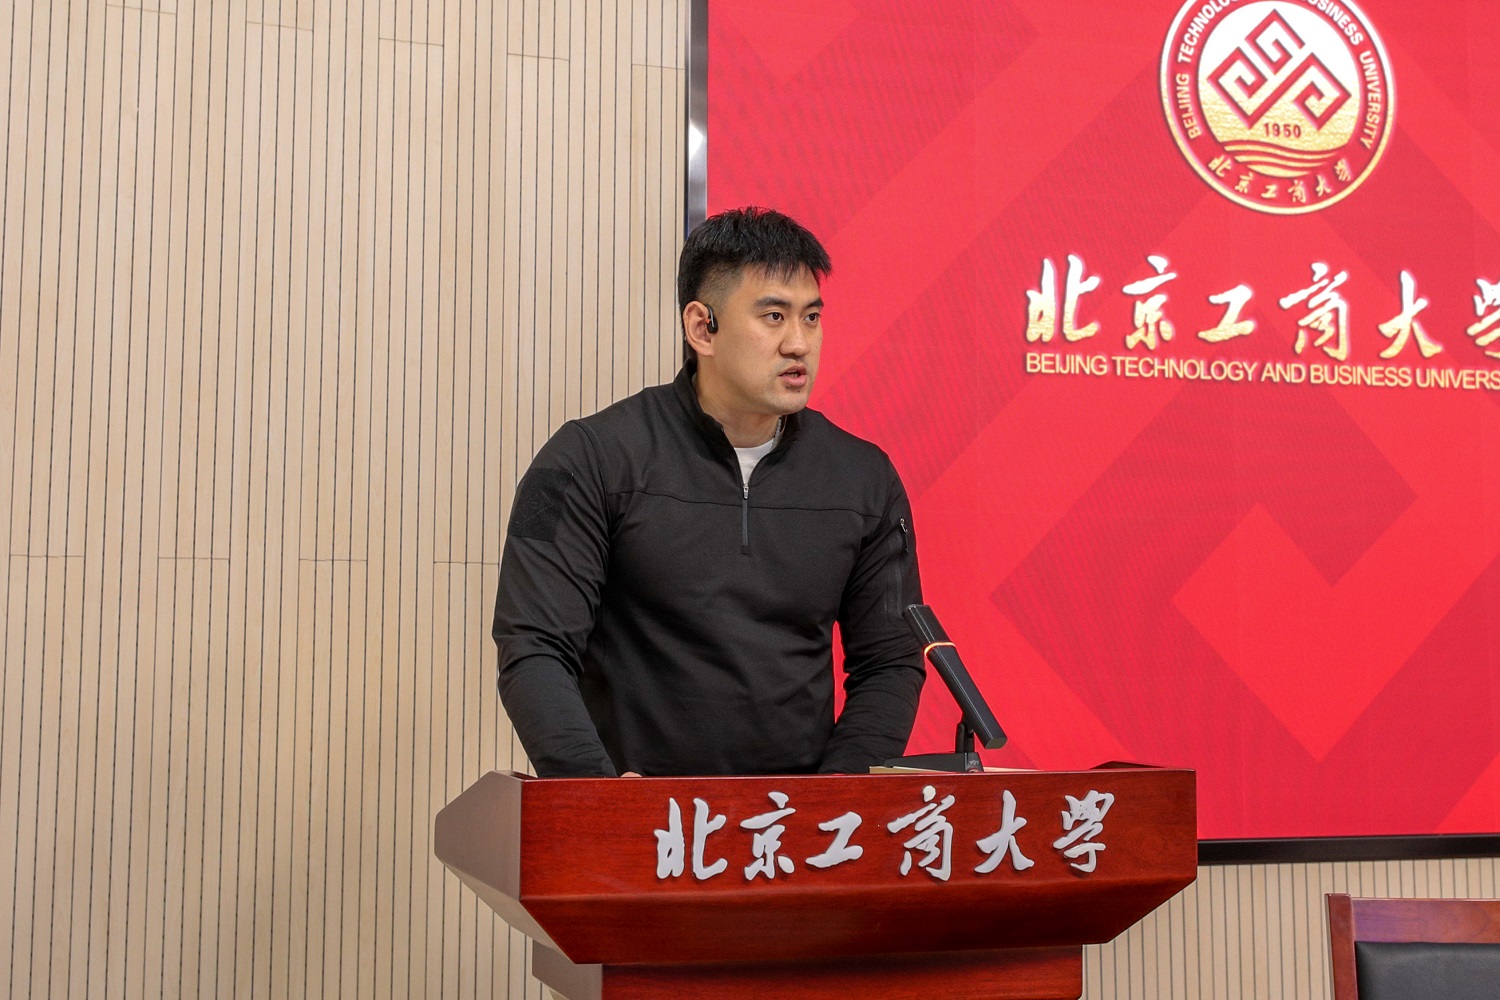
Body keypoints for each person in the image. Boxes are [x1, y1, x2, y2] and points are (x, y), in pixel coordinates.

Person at [492, 207, 924, 777]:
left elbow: (891, 662)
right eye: (774, 316)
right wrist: (597, 797)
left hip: (792, 822)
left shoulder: (864, 478)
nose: (799, 343)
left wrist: (833, 803)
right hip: (638, 812)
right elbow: (534, 645)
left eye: (812, 317)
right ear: (702, 327)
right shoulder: (585, 459)